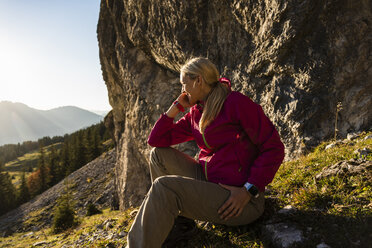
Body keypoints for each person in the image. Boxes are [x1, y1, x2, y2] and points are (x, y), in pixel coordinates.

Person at [126, 57, 285, 248]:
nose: (182, 91)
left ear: (198, 81)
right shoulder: (196, 113)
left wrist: (248, 190)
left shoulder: (236, 103)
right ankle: (179, 224)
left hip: (240, 200)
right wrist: (175, 108)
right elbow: (157, 140)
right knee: (158, 155)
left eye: (184, 84)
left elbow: (274, 147)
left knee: (164, 187)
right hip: (210, 183)